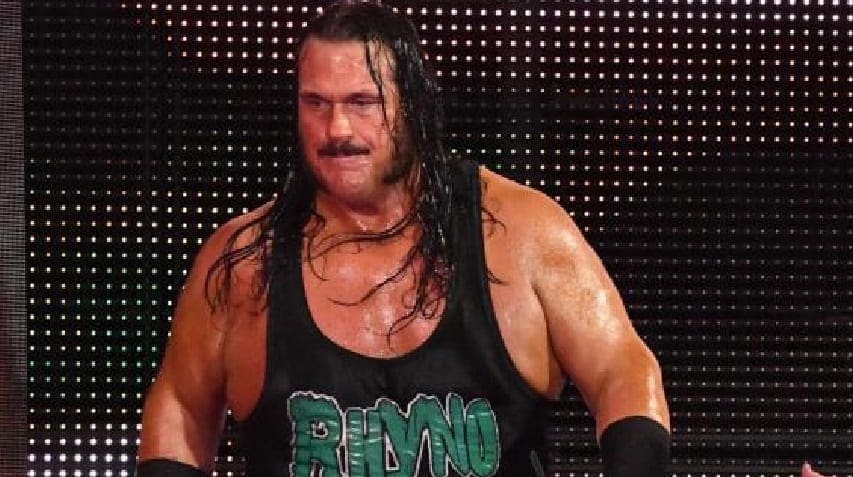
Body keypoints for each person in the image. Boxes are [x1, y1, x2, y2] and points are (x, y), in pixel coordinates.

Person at [134, 2, 829, 477]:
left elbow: (623, 370)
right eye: (315, 104)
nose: (336, 129)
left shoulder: (520, 233)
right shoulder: (245, 261)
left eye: (362, 103)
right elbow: (181, 406)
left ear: (412, 105)